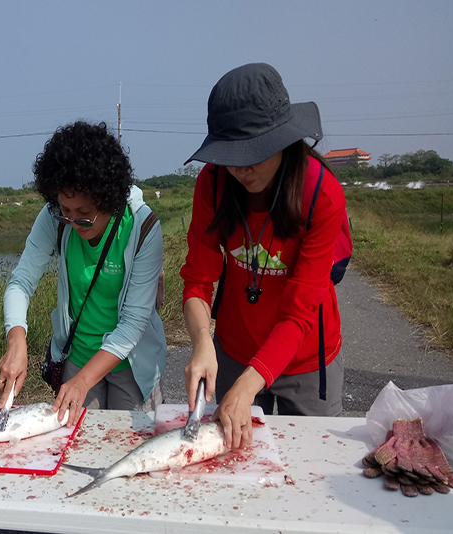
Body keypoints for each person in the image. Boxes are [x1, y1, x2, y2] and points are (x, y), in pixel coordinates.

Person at [181, 63, 347, 450]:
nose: (241, 167)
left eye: (253, 153)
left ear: (283, 139)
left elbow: (299, 310)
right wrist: (202, 340)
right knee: (231, 462)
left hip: (306, 358)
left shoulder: (320, 194)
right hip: (235, 349)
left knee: (310, 467)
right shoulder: (214, 183)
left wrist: (250, 384)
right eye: (231, 154)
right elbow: (198, 280)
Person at [0, 121, 166, 425]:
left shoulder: (143, 228)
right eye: (65, 210)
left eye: (84, 215)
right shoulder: (55, 218)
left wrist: (82, 382)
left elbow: (132, 324)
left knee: (129, 444)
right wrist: (16, 339)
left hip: (132, 362)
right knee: (75, 442)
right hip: (78, 355)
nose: (73, 223)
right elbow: (21, 282)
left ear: (110, 200)